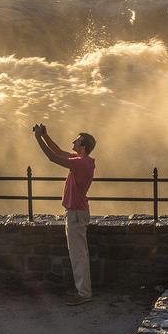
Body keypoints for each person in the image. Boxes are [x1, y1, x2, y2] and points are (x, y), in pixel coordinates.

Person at [33, 124, 96, 306]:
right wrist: (46, 135)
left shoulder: (80, 163)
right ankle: (82, 290)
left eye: (76, 140)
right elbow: (58, 151)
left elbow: (53, 157)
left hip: (76, 213)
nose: (73, 142)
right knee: (78, 254)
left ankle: (84, 293)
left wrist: (37, 138)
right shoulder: (83, 160)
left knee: (78, 256)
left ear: (82, 146)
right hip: (77, 212)